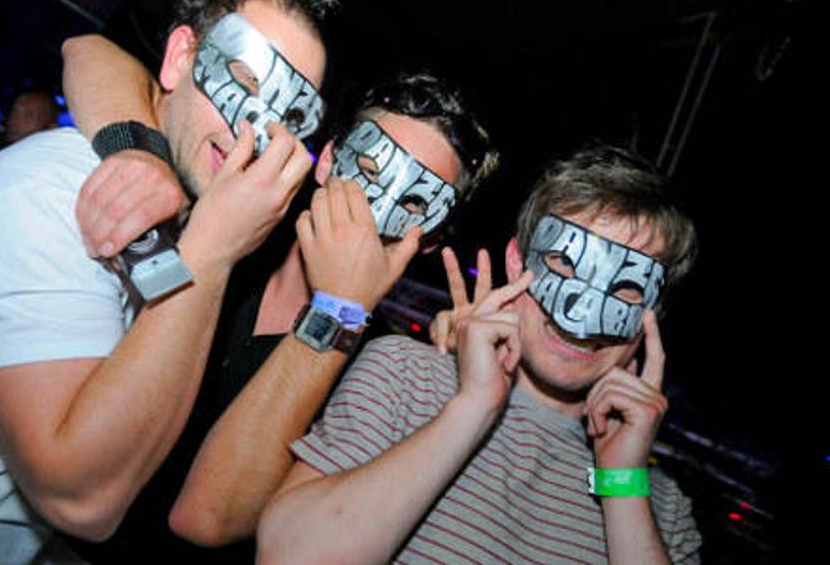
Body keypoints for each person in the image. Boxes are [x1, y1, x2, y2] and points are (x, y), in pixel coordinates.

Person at [0, 0, 334, 564]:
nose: (253, 128)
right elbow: (83, 498)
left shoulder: (169, 224)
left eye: (288, 116)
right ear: (180, 58)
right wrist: (216, 249)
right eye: (245, 81)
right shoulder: (49, 198)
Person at [60, 27, 499, 559]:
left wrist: (341, 312)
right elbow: (88, 51)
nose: (376, 203)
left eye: (413, 203)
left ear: (429, 238)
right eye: (369, 167)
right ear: (329, 158)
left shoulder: (380, 375)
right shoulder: (229, 216)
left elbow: (204, 518)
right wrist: (140, 155)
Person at [258, 145, 702, 564]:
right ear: (517, 261)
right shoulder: (404, 377)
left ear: (655, 311)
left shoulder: (662, 511)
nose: (580, 314)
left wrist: (622, 485)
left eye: (625, 289)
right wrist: (473, 406)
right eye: (565, 264)